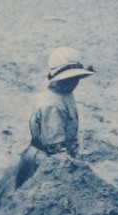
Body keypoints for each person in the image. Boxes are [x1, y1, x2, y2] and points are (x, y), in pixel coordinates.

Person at [16, 46, 94, 187]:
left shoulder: (65, 93)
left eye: (76, 78)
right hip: (43, 161)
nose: (73, 83)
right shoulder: (51, 104)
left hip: (61, 155)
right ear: (59, 79)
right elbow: (55, 149)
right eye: (69, 79)